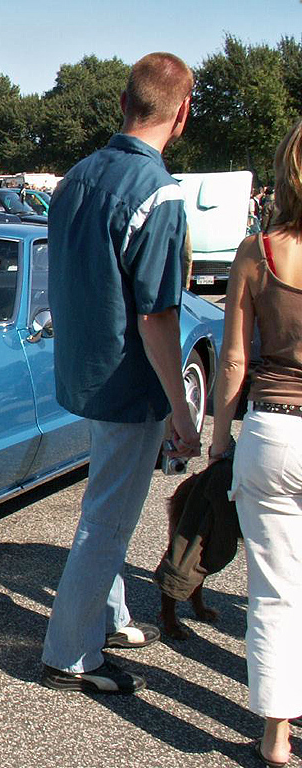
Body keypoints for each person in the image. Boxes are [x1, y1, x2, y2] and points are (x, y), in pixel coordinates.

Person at [40, 52, 200, 695]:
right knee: (106, 519)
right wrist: (184, 415)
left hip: (85, 369)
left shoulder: (75, 177)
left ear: (124, 105)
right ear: (181, 113)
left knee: (103, 505)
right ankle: (70, 654)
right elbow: (157, 318)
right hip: (128, 380)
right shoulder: (157, 191)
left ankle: (108, 617)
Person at [208, 118, 302, 767]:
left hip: (271, 428)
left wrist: (218, 439)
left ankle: (274, 737)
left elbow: (234, 359)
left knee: (274, 590)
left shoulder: (257, 251)